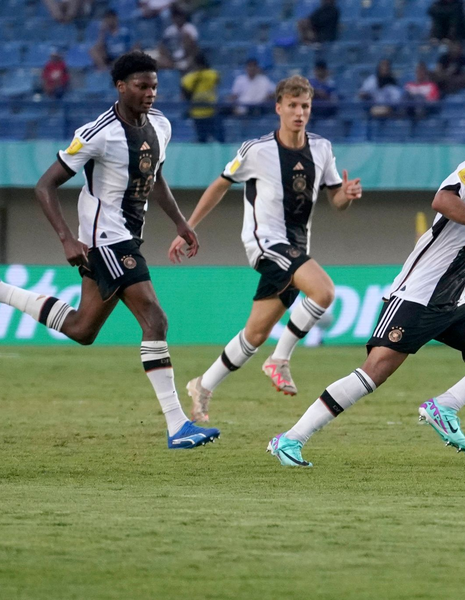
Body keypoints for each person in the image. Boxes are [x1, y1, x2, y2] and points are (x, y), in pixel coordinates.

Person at [266, 109, 465, 467]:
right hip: (418, 296)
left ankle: (444, 406)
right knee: (374, 372)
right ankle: (290, 440)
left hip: (454, 302)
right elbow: (443, 200)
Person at [0, 51, 218, 449]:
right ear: (120, 86)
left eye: (154, 86)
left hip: (129, 236)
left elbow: (155, 176)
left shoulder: (161, 125)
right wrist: (67, 238)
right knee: (155, 319)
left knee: (83, 329)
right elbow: (44, 185)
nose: (150, 93)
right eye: (141, 86)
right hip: (105, 238)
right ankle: (177, 426)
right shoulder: (98, 133)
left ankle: (3, 291)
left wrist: (180, 221)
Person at [168, 75, 362, 423]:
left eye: (305, 106)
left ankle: (202, 386)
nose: (299, 113)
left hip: (297, 246)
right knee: (323, 291)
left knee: (255, 333)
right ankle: (279, 360)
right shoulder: (256, 150)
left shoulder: (322, 149)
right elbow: (220, 185)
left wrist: (346, 196)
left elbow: (336, 200)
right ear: (278, 108)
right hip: (266, 243)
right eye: (292, 105)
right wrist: (187, 227)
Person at [180, 53, 223, 143]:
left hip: (197, 113)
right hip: (211, 111)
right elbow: (218, 81)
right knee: (219, 139)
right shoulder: (213, 74)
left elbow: (184, 94)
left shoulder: (188, 78)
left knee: (202, 140)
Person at [158, 5, 198, 71]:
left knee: (187, 37)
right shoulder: (169, 30)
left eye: (179, 16)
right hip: (172, 58)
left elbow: (194, 46)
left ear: (183, 17)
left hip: (187, 57)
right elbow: (162, 46)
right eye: (175, 17)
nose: (177, 19)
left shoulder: (190, 28)